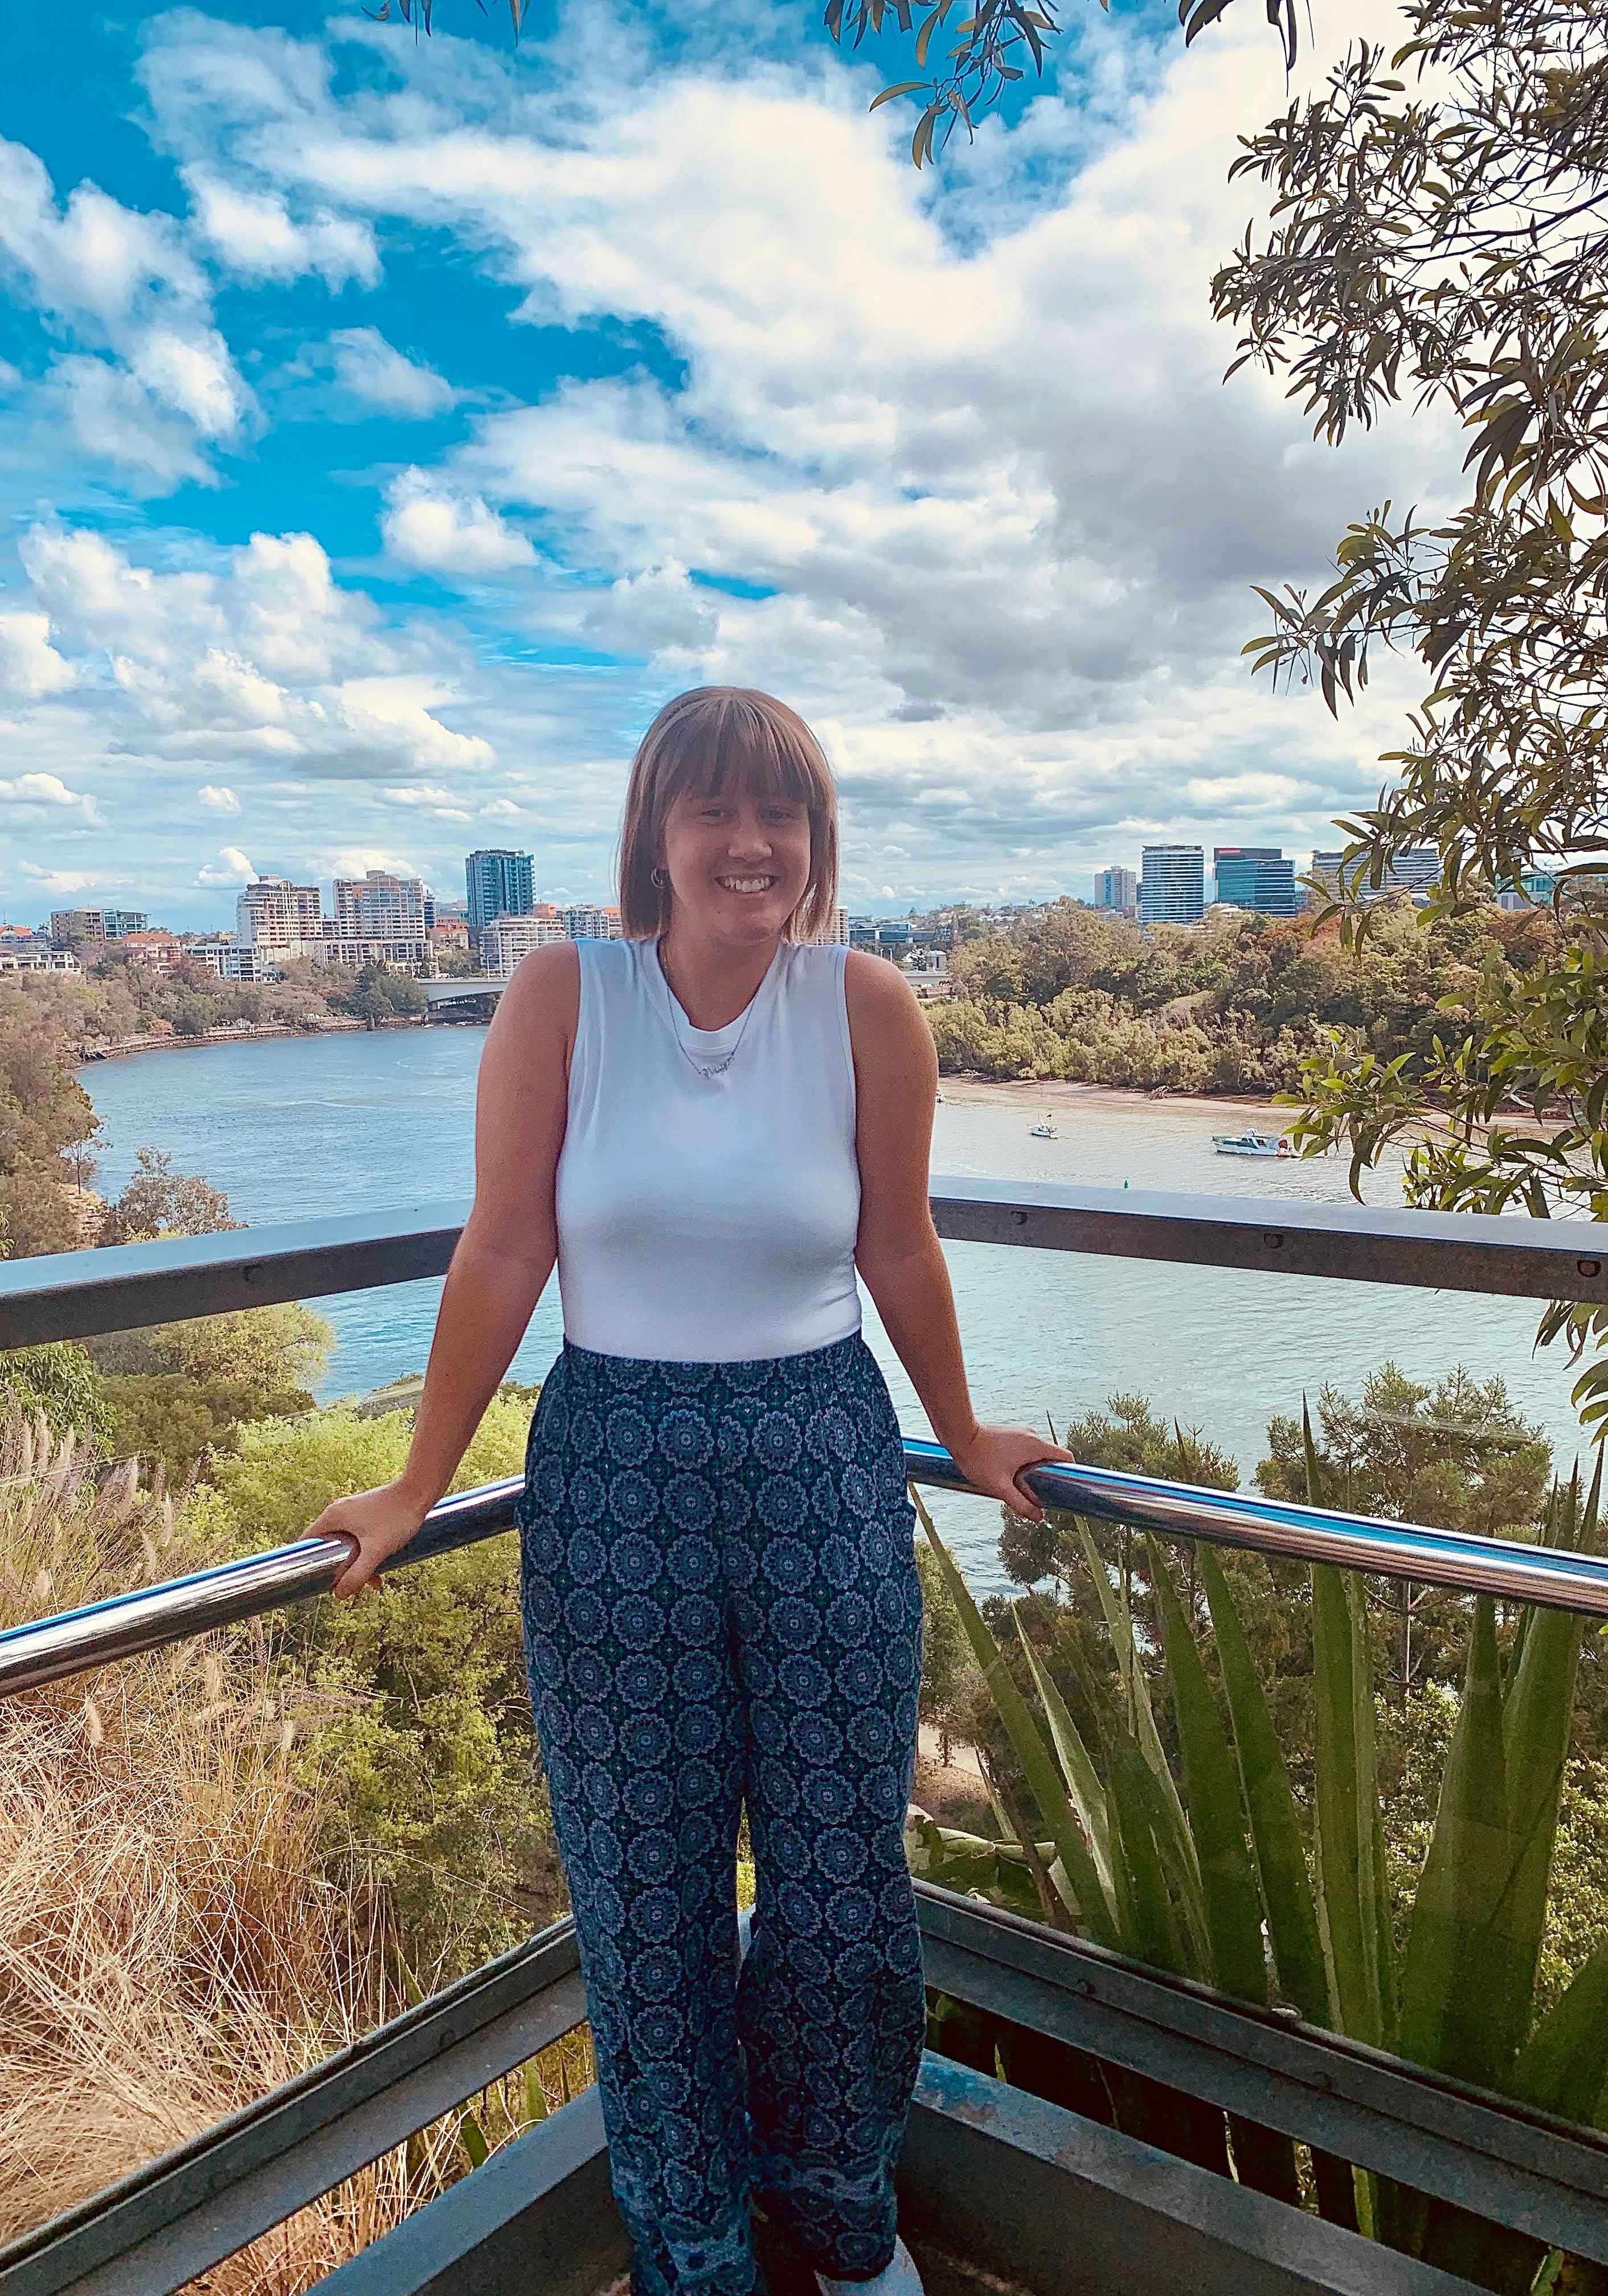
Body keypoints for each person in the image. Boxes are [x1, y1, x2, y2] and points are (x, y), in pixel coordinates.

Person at [309, 686, 1070, 2296]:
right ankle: (695, 2252)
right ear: (655, 837)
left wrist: (971, 1428)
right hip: (614, 1474)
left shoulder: (867, 1005)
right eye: (714, 811)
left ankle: (842, 2217)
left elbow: (898, 1247)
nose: (752, 843)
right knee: (646, 1895)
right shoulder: (560, 996)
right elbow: (505, 1243)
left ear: (816, 838)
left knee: (841, 1875)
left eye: (781, 812)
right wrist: (414, 1482)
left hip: (824, 1462)